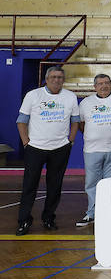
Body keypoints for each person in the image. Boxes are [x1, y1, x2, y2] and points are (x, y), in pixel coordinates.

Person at [16, 66, 79, 236]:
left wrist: (70, 141)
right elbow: (21, 121)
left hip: (60, 148)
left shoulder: (70, 97)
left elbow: (75, 121)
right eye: (53, 77)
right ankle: (24, 221)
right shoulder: (33, 95)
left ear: (63, 79)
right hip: (35, 148)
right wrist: (26, 143)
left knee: (55, 186)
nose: (56, 80)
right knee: (29, 186)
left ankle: (48, 218)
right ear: (46, 78)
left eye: (60, 77)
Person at [78, 74, 111, 227]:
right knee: (92, 183)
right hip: (92, 150)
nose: (104, 86)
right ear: (95, 87)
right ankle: (91, 213)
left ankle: (109, 213)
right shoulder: (86, 103)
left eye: (106, 83)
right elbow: (81, 124)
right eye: (100, 83)